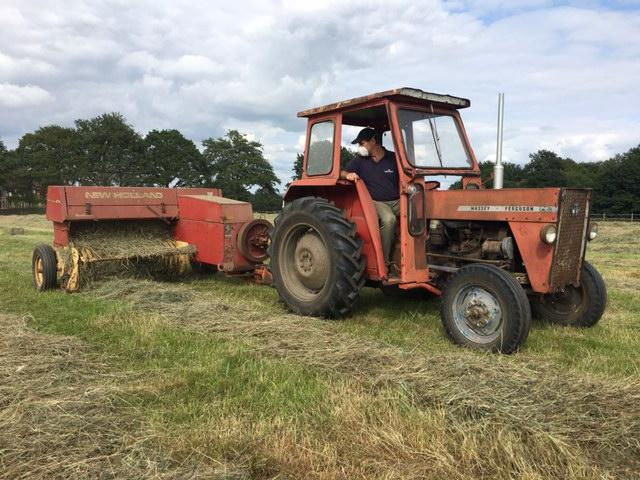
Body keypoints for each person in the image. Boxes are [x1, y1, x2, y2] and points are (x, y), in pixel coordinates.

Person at [340, 127, 400, 267]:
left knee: (419, 215)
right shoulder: (360, 161)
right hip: (377, 202)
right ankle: (384, 263)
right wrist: (347, 175)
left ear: (373, 141)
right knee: (389, 220)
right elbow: (342, 171)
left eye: (362, 143)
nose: (360, 147)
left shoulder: (393, 158)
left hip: (397, 201)